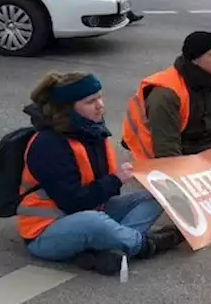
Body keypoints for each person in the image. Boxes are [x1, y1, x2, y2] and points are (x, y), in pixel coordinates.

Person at [20, 72, 182, 275]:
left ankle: (111, 249)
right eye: (90, 101)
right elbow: (73, 202)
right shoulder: (48, 144)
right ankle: (146, 245)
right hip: (45, 231)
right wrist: (115, 180)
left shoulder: (91, 131)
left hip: (91, 211)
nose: (100, 105)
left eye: (99, 97)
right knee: (93, 222)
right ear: (69, 108)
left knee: (157, 194)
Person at [122, 31, 211, 159]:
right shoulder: (166, 94)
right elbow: (167, 150)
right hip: (166, 156)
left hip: (200, 149)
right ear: (195, 60)